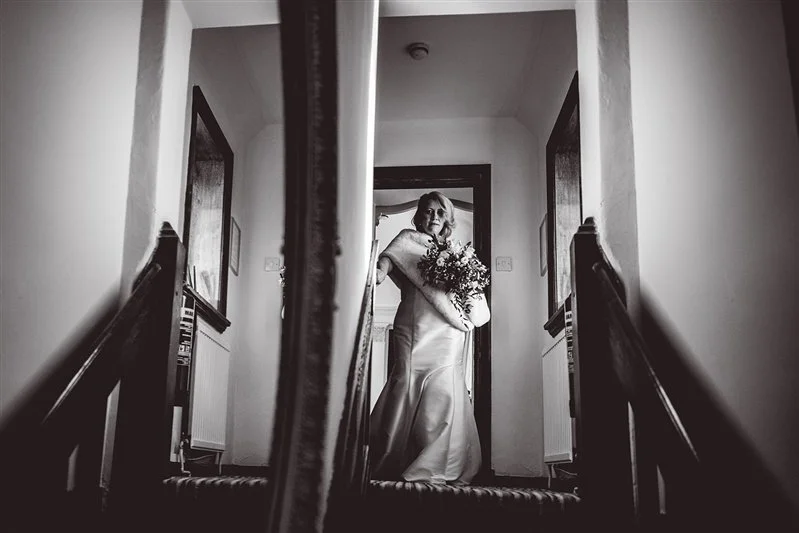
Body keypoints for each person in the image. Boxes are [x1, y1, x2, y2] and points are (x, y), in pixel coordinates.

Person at [369, 191, 490, 485]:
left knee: (442, 390)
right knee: (405, 383)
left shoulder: (457, 251)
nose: (433, 217)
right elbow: (385, 262)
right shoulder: (406, 240)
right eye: (427, 211)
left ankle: (433, 463)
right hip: (413, 325)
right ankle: (391, 459)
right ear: (419, 215)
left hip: (447, 331)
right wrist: (378, 272)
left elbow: (469, 296)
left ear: (447, 218)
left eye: (439, 212)